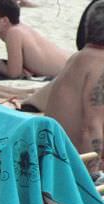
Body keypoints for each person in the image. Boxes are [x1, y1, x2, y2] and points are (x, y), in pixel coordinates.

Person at [44, 1, 104, 177]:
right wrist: (93, 176)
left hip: (54, 157)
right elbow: (90, 128)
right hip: (74, 166)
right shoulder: (100, 66)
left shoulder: (77, 58)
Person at [0, 0, 70, 78]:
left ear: (5, 21)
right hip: (71, 66)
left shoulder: (13, 33)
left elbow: (14, 74)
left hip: (70, 74)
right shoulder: (21, 28)